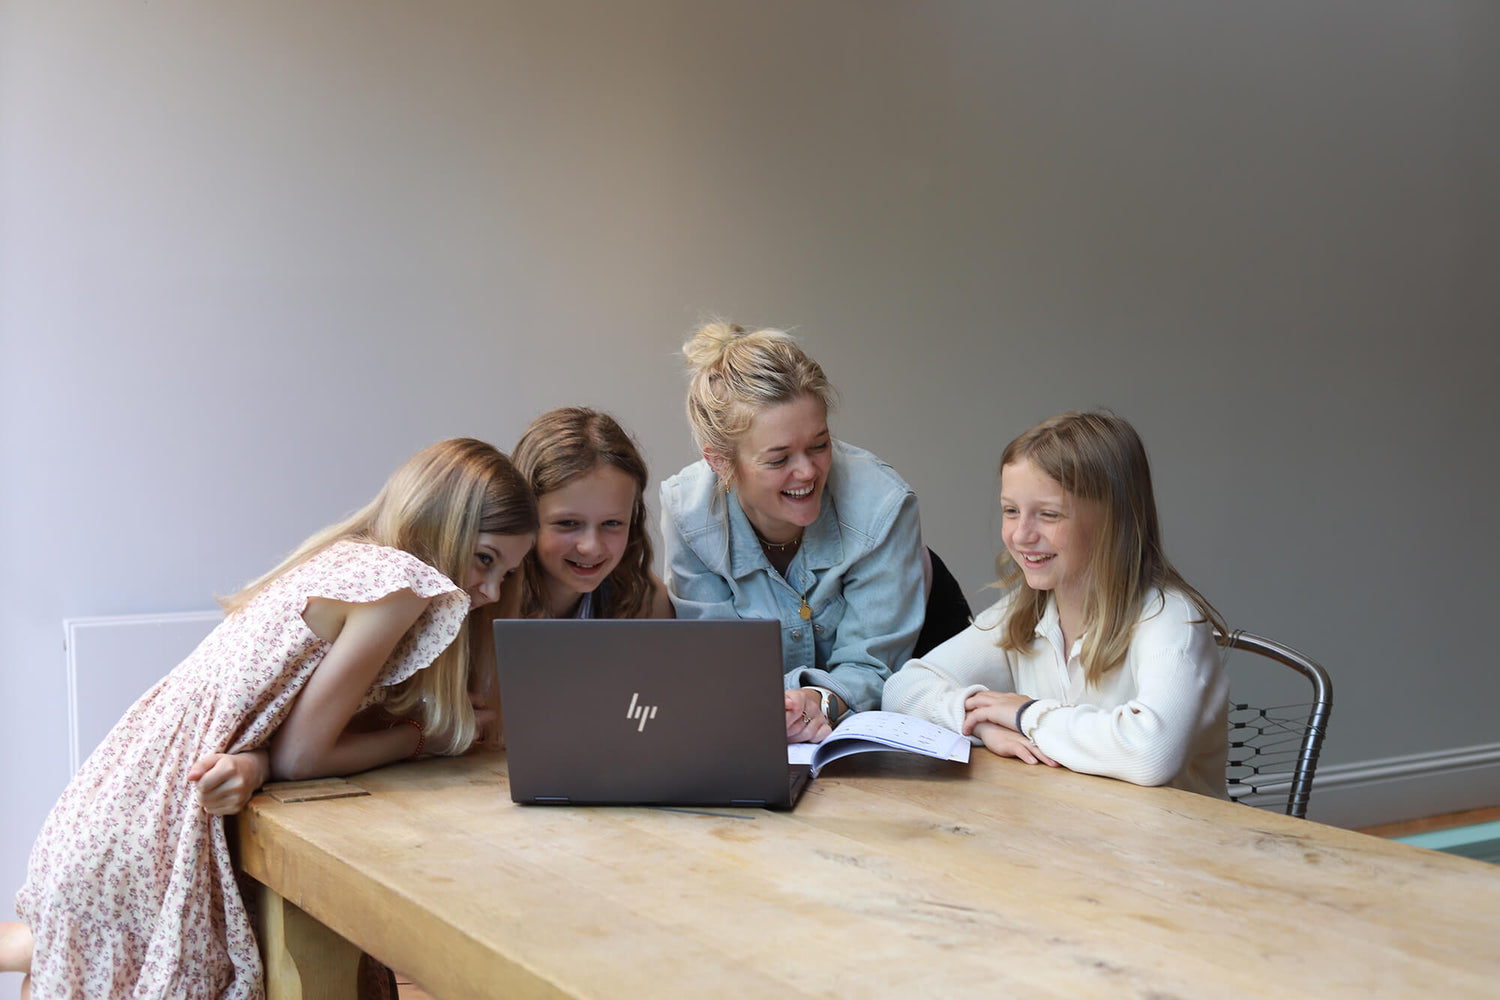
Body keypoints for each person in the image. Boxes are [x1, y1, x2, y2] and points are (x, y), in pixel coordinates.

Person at [1, 438, 538, 1000]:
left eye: (507, 571)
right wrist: (419, 738)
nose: (492, 590)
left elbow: (290, 733)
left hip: (117, 807)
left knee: (64, 957)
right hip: (151, 833)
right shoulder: (398, 586)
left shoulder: (350, 558)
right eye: (484, 559)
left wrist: (266, 759)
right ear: (442, 526)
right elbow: (301, 757)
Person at [882, 411, 1231, 797]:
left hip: (1179, 848)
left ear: (1113, 521)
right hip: (1066, 837)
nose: (1020, 534)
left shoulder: (1170, 620)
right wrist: (981, 723)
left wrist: (1024, 714)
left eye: (1048, 515)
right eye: (1011, 510)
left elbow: (1151, 752)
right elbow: (903, 689)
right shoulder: (1024, 613)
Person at [660, 321, 926, 744]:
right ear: (719, 462)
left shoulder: (883, 504)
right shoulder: (687, 513)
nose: (807, 472)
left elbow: (873, 665)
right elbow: (718, 663)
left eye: (819, 445)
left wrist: (820, 699)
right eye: (779, 458)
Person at [498, 406, 673, 620]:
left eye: (612, 523)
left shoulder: (645, 600)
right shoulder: (484, 595)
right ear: (525, 515)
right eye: (568, 523)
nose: (591, 547)